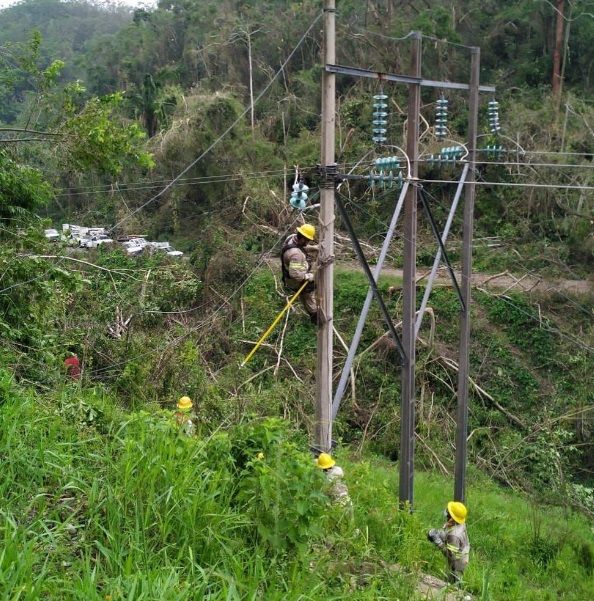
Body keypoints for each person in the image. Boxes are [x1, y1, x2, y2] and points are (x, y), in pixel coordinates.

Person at [281, 223, 319, 324]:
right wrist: (307, 276)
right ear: (303, 239)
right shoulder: (296, 255)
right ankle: (315, 316)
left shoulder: (292, 238)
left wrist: (314, 248)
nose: (308, 243)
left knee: (307, 289)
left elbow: (301, 247)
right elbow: (295, 274)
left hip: (291, 270)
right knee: (308, 292)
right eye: (307, 241)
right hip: (294, 279)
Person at [427, 501, 470, 584]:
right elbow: (452, 536)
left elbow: (450, 555)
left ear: (452, 517)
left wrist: (438, 542)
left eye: (448, 511)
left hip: (458, 560)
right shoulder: (459, 523)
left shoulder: (454, 536)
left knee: (454, 579)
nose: (446, 511)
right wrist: (441, 534)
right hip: (462, 551)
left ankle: (456, 591)